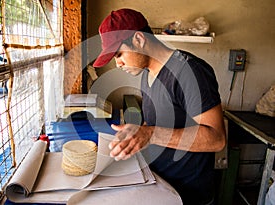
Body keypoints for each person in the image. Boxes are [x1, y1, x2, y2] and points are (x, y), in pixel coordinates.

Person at [93, 8, 226, 205]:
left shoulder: (189, 71)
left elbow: (217, 139)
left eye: (119, 54)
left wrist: (150, 134)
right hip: (160, 185)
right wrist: (136, 133)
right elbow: (153, 122)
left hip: (188, 194)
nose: (118, 64)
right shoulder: (147, 73)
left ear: (138, 39)